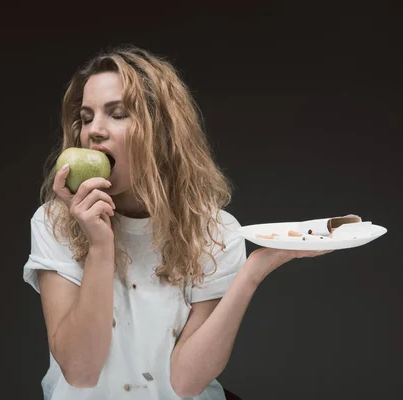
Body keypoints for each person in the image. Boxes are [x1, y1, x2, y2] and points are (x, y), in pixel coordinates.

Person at [23, 45, 331, 400]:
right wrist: (100, 245)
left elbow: (187, 382)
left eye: (118, 114)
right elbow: (80, 371)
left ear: (163, 130)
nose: (94, 131)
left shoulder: (214, 231)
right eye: (87, 117)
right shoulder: (54, 223)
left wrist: (252, 272)